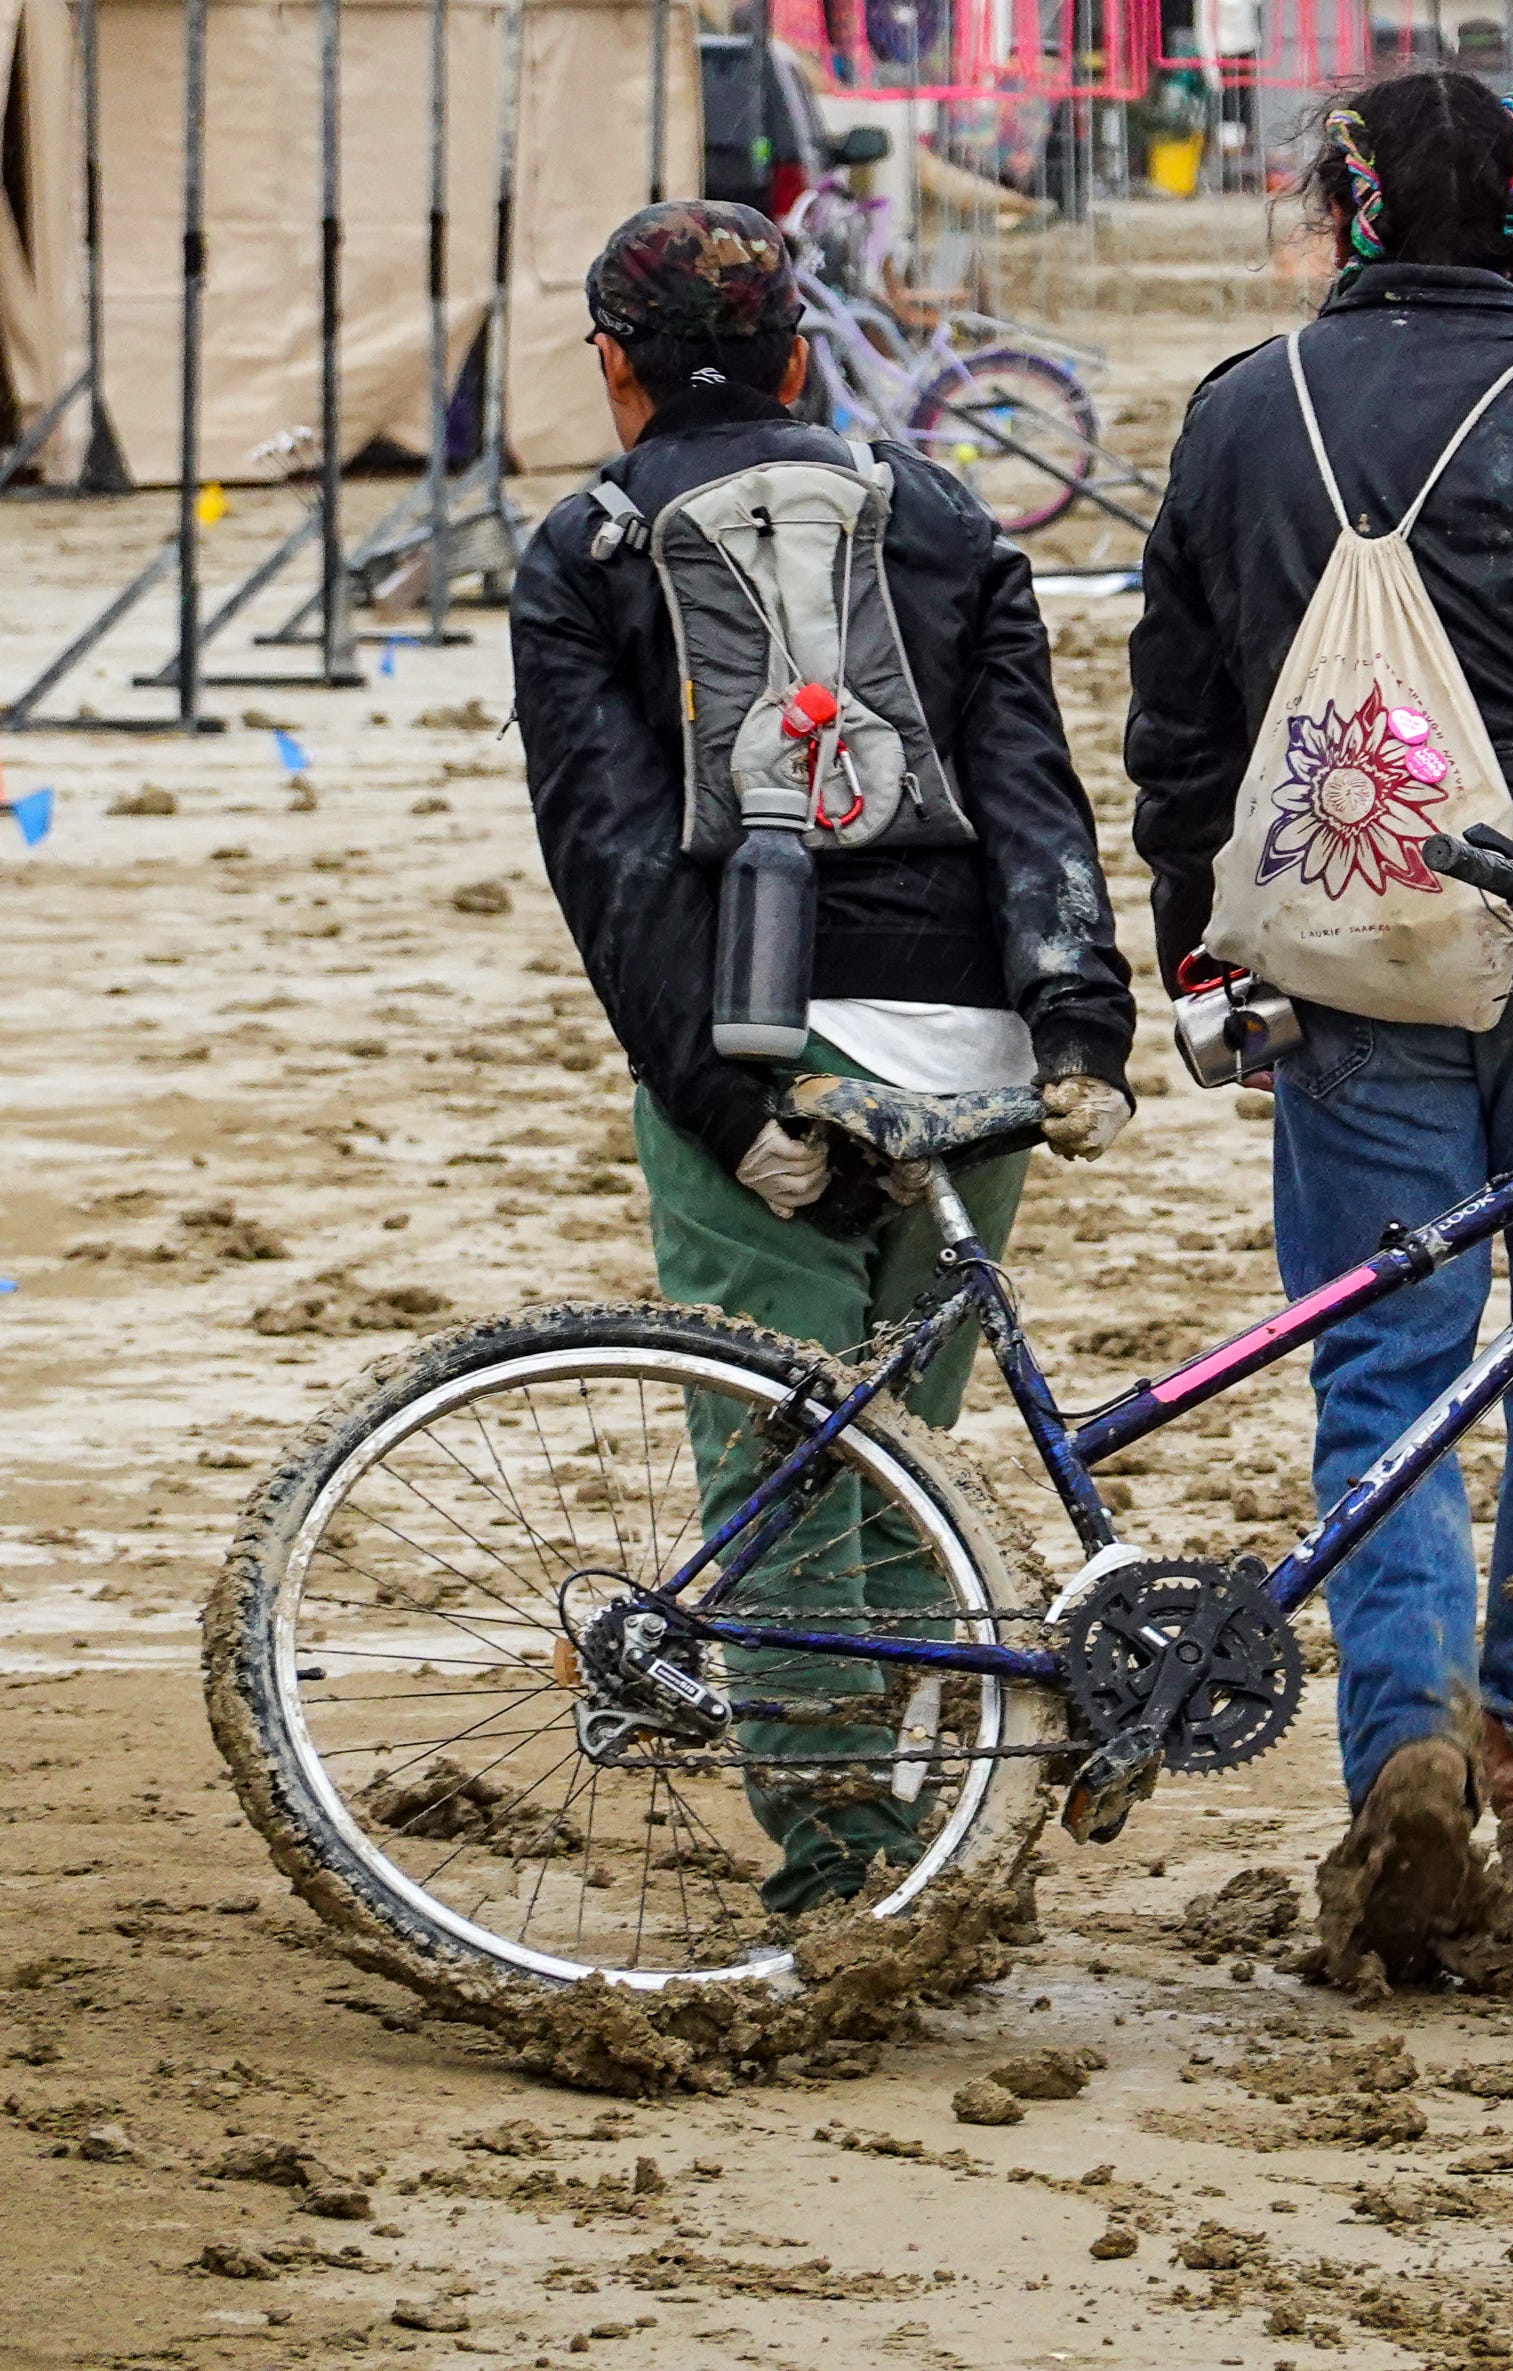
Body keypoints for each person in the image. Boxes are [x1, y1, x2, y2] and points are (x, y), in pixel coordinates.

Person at [1125, 72, 1513, 1976]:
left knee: (1384, 1385)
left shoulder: (1236, 416)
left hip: (1345, 959)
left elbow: (1180, 725)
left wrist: (1195, 957)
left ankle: (1405, 1756)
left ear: (1344, 206)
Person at [511, 200, 1135, 1913]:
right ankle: (920, 1816)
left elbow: (617, 859)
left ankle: (847, 1863)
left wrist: (726, 1104)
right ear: (800, 352)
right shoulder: (939, 512)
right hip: (976, 1056)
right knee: (900, 1460)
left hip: (763, 1044)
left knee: (785, 1473)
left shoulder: (584, 550)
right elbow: (1032, 790)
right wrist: (1081, 1021)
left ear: (614, 377)